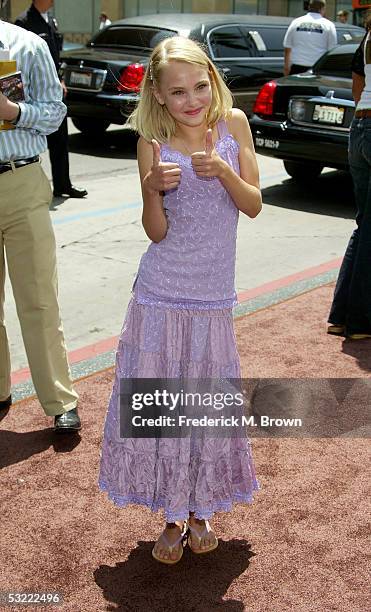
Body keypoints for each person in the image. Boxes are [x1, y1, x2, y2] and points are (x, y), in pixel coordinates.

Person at [98, 36, 261, 564]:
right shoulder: (151, 139)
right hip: (161, 293)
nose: (192, 100)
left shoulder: (234, 125)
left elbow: (254, 205)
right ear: (159, 96)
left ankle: (201, 510)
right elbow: (156, 233)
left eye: (199, 86)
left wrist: (225, 172)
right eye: (178, 92)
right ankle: (171, 515)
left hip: (212, 298)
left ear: (212, 81)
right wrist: (151, 189)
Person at [0, 0, 81, 432]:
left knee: (38, 299)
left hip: (20, 180)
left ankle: (58, 399)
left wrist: (13, 112)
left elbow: (55, 114)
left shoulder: (26, 46)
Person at [15, 0, 87, 199]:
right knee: (32, 141)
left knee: (61, 140)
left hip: (53, 90)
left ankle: (63, 184)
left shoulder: (51, 21)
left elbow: (55, 57)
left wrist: (61, 79)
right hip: (33, 94)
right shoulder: (23, 22)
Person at [327, 18, 371, 340]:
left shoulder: (368, 38)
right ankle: (360, 321)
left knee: (364, 225)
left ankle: (341, 316)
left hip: (359, 128)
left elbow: (358, 87)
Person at [283, 0, 337, 76]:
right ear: (323, 9)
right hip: (317, 68)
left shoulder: (296, 22)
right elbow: (331, 50)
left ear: (309, 7)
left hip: (296, 68)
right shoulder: (329, 25)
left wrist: (286, 67)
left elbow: (287, 47)